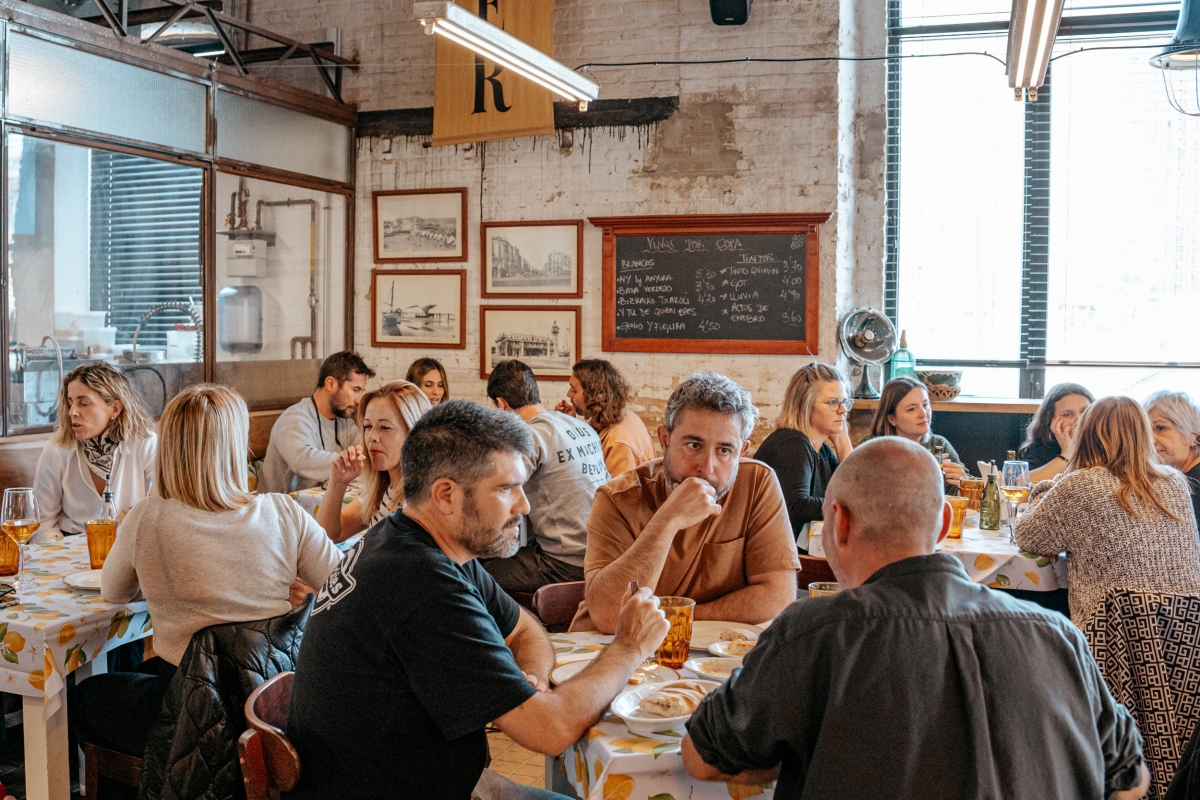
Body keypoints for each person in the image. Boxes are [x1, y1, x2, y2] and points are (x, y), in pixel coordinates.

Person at [681, 437, 1150, 800]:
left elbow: (702, 758)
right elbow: (1131, 777)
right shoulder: (1058, 636)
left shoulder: (816, 631)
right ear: (945, 524)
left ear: (838, 523)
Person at [284, 400, 670, 800]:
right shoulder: (419, 583)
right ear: (446, 495)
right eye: (506, 488)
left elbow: (523, 626)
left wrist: (531, 680)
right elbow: (551, 730)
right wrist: (629, 646)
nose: (525, 505)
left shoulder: (420, 542)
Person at [75, 384, 340, 761]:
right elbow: (344, 590)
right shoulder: (285, 512)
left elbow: (113, 592)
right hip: (273, 703)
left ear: (169, 448)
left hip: (186, 711)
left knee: (87, 695)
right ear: (235, 447)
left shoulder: (147, 518)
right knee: (143, 671)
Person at [573, 371, 799, 634]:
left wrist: (678, 619)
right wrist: (668, 520)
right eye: (694, 445)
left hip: (706, 656)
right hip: (607, 652)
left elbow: (778, 597)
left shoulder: (758, 483)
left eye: (724, 450)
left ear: (742, 452)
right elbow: (610, 617)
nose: (707, 468)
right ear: (665, 440)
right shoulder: (617, 498)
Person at [1015, 396, 1200, 627]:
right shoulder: (1176, 481)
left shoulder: (1081, 484)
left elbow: (1028, 537)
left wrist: (1047, 488)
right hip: (1183, 633)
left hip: (1110, 637)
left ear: (1085, 434)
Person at [483, 360, 610, 593]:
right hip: (602, 556)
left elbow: (499, 491)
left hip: (564, 565)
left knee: (470, 573)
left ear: (502, 405)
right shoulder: (582, 428)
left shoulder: (530, 435)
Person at [34, 363, 157, 542]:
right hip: (69, 547)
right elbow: (43, 525)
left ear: (114, 409)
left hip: (128, 546)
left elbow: (169, 496)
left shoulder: (145, 442)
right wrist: (62, 555)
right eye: (70, 403)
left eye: (84, 403)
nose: (72, 412)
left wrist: (136, 516)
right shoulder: (57, 451)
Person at [317, 381, 431, 544]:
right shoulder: (382, 487)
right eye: (368, 426)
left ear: (416, 434)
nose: (371, 437)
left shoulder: (419, 498)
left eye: (384, 427)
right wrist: (337, 483)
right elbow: (328, 535)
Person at [753, 363, 853, 549]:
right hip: (774, 556)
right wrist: (846, 507)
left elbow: (856, 492)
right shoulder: (792, 444)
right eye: (833, 403)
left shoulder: (822, 450)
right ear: (805, 406)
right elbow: (797, 505)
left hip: (803, 553)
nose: (843, 410)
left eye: (844, 402)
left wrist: (842, 443)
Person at [258, 352, 376, 494]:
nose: (358, 400)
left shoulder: (344, 421)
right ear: (331, 383)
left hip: (317, 504)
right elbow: (302, 461)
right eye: (355, 390)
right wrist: (350, 462)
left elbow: (363, 449)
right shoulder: (296, 418)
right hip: (281, 508)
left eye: (361, 391)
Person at [555, 358, 655, 478]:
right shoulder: (615, 415)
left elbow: (614, 495)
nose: (568, 394)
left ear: (593, 395)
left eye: (574, 390)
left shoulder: (619, 444)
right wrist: (572, 424)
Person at [864, 376, 965, 492]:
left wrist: (963, 484)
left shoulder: (939, 444)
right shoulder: (872, 446)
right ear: (892, 418)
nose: (923, 414)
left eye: (925, 405)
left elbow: (959, 499)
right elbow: (866, 493)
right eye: (912, 409)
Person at [1143, 390, 1200, 528]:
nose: (1150, 440)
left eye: (1160, 428)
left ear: (1193, 434)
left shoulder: (1194, 485)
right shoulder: (1181, 479)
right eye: (1145, 430)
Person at [1019, 382, 1094, 482]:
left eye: (1084, 411)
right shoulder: (1044, 447)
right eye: (1067, 414)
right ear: (1051, 420)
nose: (1079, 420)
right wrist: (1067, 454)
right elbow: (1020, 484)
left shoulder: (1104, 444)